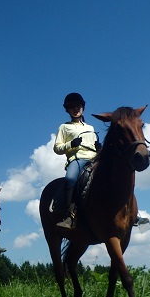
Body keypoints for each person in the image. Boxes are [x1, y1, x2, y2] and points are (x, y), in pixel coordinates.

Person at [53, 92, 100, 229]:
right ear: (67, 110)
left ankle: (131, 212)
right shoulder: (64, 127)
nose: (75, 109)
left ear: (82, 107)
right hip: (77, 159)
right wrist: (71, 144)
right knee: (70, 179)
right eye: (72, 107)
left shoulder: (90, 128)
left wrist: (98, 148)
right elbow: (57, 148)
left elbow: (95, 146)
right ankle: (69, 215)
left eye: (78, 106)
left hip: (94, 158)